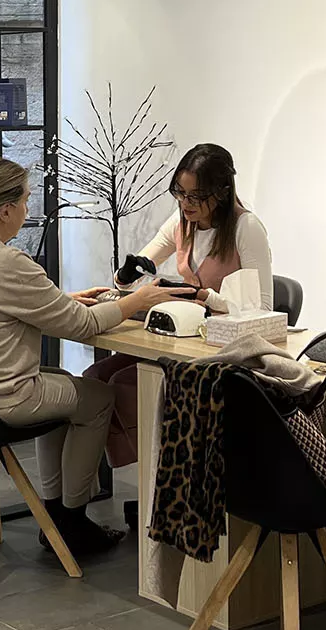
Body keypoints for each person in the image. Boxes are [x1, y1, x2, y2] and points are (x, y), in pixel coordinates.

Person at [0, 157, 188, 555]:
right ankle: (71, 520)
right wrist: (138, 300)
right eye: (26, 201)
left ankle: (55, 515)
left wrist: (66, 301)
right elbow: (82, 327)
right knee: (99, 398)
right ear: (6, 210)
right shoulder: (9, 263)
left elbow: (1, 308)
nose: (29, 209)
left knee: (62, 384)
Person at [83, 143, 274, 468]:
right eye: (180, 193)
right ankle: (149, 472)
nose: (186, 204)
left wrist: (202, 297)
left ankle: (168, 474)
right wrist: (126, 274)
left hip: (223, 351)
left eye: (195, 196)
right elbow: (135, 273)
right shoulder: (181, 222)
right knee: (95, 377)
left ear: (222, 191)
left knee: (124, 385)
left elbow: (264, 310)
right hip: (185, 341)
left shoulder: (246, 228)